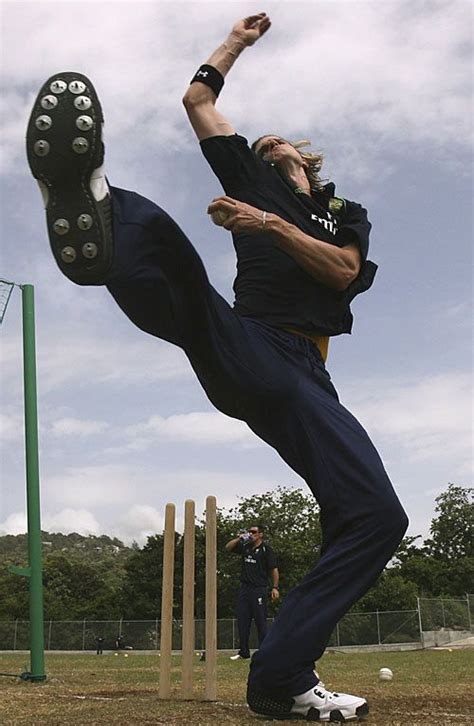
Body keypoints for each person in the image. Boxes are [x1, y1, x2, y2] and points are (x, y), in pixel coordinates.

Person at [26, 12, 408, 721]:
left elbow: (343, 270)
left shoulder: (341, 209)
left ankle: (281, 677)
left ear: (306, 157)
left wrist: (268, 224)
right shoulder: (250, 175)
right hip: (251, 343)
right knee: (187, 293)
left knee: (376, 516)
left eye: (277, 145)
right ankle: (101, 213)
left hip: (302, 371)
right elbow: (199, 103)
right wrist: (237, 43)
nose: (265, 146)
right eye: (259, 148)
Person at [225, 524, 279, 661]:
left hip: (259, 589)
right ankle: (243, 652)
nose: (251, 533)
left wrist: (275, 587)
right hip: (245, 589)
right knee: (242, 620)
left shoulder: (266, 550)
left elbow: (274, 569)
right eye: (249, 531)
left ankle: (264, 651)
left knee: (260, 621)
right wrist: (239, 539)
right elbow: (228, 547)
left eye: (254, 532)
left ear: (261, 534)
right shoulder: (246, 546)